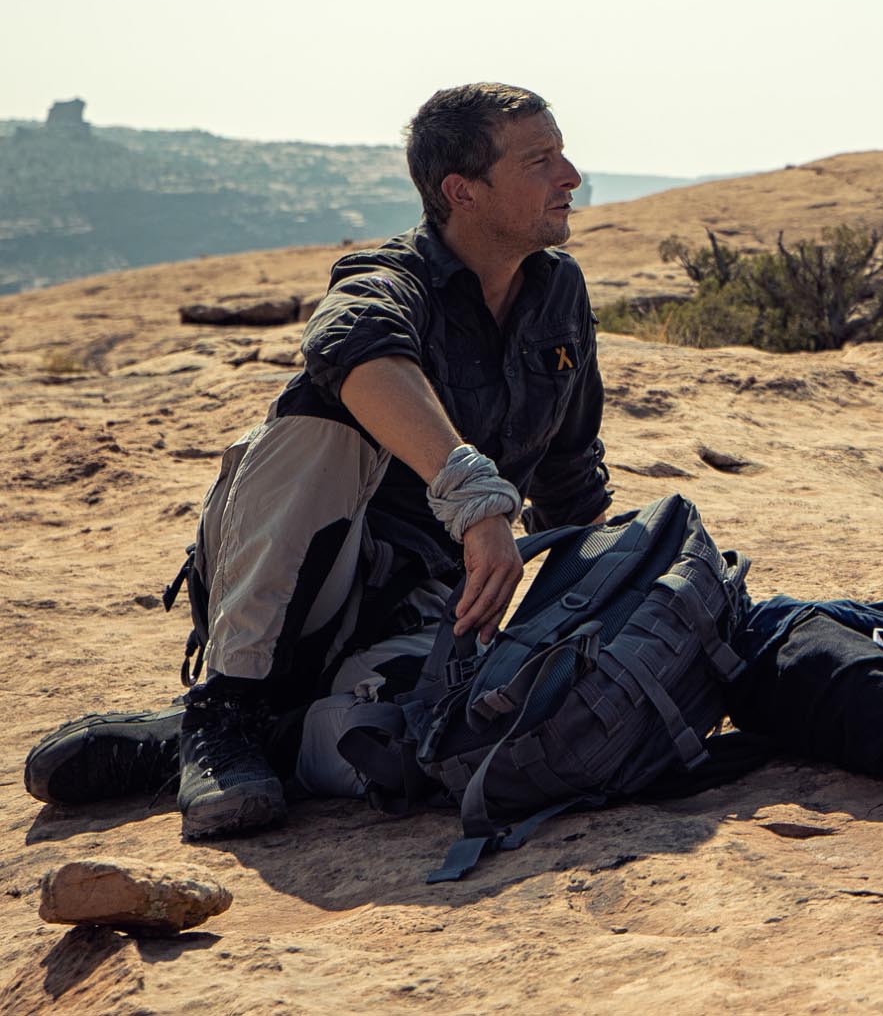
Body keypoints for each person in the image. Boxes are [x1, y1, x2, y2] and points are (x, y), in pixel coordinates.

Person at [30, 82, 612, 839]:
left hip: (421, 606)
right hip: (296, 591)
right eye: (540, 160)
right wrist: (473, 496)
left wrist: (599, 601)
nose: (570, 176)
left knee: (447, 739)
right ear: (462, 191)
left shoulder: (558, 292)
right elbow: (352, 346)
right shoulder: (387, 277)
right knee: (324, 420)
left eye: (562, 154)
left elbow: (571, 476)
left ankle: (222, 743)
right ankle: (226, 708)